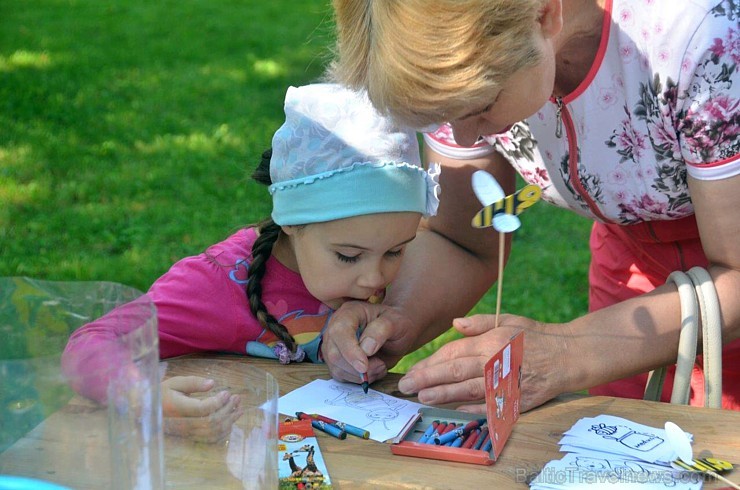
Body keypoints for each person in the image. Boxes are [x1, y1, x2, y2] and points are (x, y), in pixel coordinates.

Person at [321, 0, 740, 411]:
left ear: (545, 14)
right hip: (629, 279)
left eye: (482, 107)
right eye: (446, 117)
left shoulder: (704, 37)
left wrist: (571, 351)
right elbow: (460, 238)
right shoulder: (475, 74)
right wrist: (397, 317)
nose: (466, 139)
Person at [61, 82, 441, 439]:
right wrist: (141, 398)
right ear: (292, 222)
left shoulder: (362, 252)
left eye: (396, 251)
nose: (374, 278)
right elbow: (90, 342)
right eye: (348, 256)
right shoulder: (216, 284)